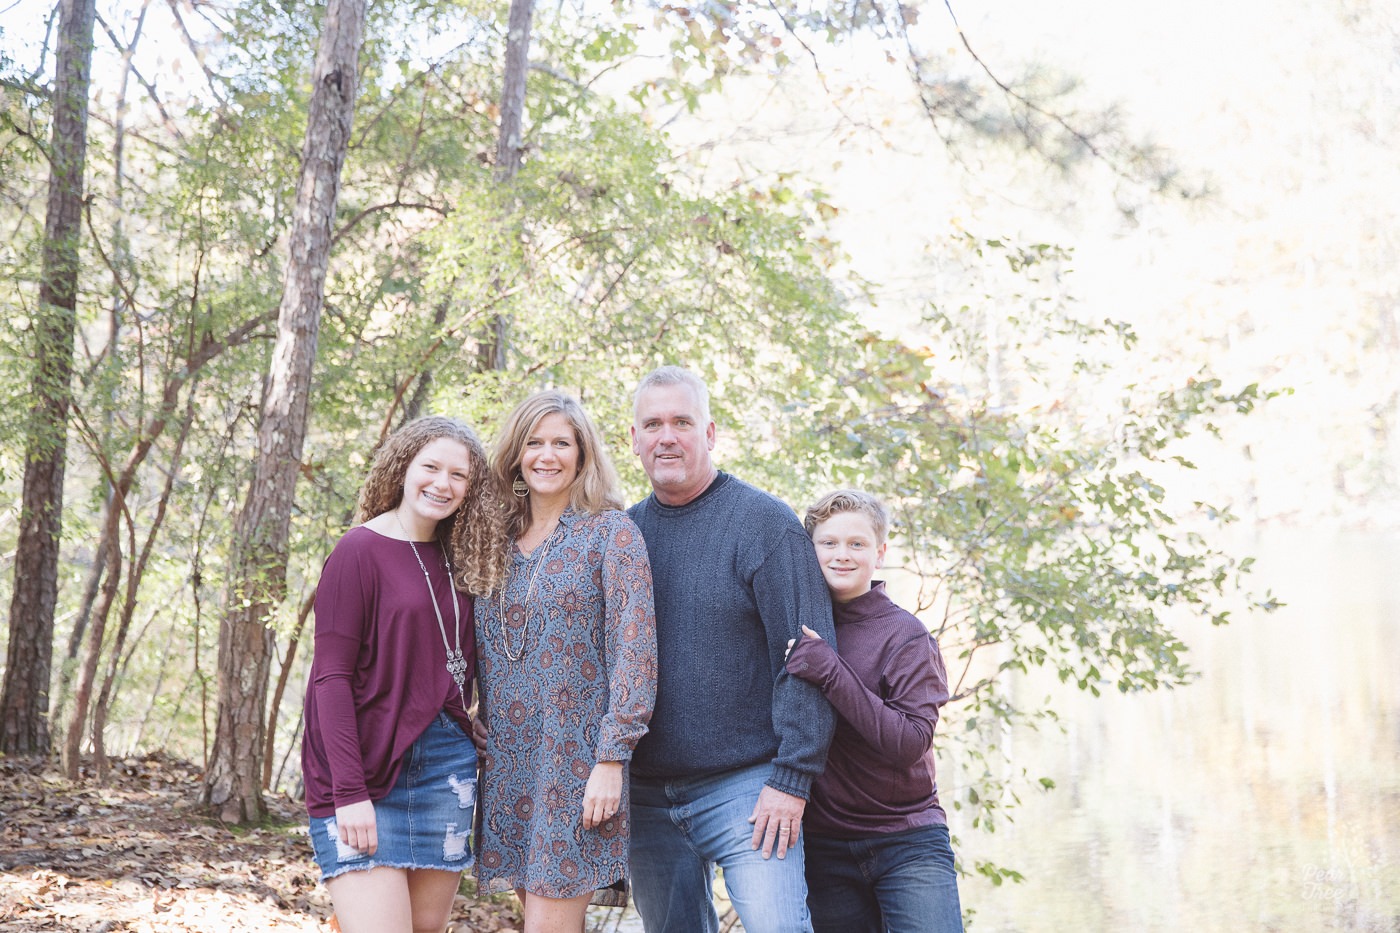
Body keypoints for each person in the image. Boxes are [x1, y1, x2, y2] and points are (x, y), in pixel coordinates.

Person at [625, 365, 837, 933]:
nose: (666, 436)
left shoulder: (764, 525)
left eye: (682, 422)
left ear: (710, 433)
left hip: (747, 786)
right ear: (635, 439)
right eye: (653, 424)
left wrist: (792, 780)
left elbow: (810, 660)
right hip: (644, 796)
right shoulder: (622, 535)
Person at [301, 415, 507, 933]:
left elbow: (447, 659)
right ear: (403, 468)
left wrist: (466, 719)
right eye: (431, 467)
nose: (442, 484)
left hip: (447, 769)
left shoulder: (462, 556)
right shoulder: (358, 551)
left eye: (458, 475)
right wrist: (349, 792)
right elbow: (330, 679)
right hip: (367, 769)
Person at [472, 390, 657, 933]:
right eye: (534, 442)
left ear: (582, 454)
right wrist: (472, 711)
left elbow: (636, 653)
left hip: (576, 762)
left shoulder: (611, 533)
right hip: (507, 760)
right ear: (516, 455)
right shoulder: (494, 539)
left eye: (561, 442)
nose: (546, 455)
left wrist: (611, 757)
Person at [783, 489, 963, 933]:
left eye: (857, 544)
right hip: (825, 846)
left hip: (908, 840)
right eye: (829, 543)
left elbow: (908, 744)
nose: (842, 555)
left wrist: (831, 671)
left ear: (879, 554)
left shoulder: (906, 636)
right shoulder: (792, 625)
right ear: (811, 551)